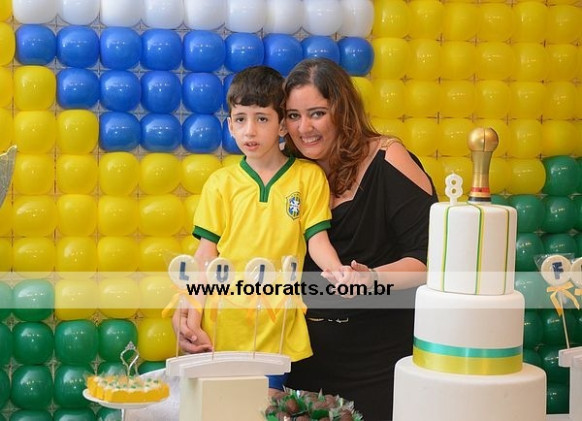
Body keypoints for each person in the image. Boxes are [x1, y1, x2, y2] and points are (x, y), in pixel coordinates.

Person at [279, 58, 439, 420]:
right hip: (300, 362)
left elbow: (429, 260)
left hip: (377, 364)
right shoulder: (286, 171)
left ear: (343, 110)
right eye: (293, 116)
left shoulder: (388, 158)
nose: (304, 128)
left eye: (317, 113)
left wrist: (372, 278)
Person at [182, 65, 352, 392]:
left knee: (265, 406)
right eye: (240, 119)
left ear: (282, 125)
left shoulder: (308, 177)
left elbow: (317, 241)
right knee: (220, 409)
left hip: (276, 327)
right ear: (230, 126)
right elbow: (205, 255)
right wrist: (192, 313)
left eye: (262, 118)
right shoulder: (220, 183)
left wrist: (337, 271)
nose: (250, 131)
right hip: (221, 327)